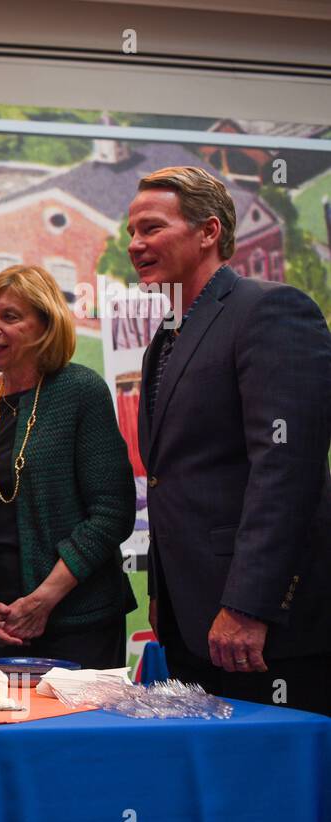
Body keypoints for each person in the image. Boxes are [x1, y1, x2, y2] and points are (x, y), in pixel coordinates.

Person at [130, 166, 331, 713]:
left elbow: (287, 471)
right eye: (132, 232)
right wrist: (163, 596)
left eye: (152, 228)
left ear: (209, 231)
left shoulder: (271, 311)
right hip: (191, 624)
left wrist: (249, 605)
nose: (135, 244)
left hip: (262, 633)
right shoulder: (165, 340)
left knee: (274, 766)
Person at [0, 266, 137, 668]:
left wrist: (43, 599)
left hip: (78, 621)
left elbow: (112, 512)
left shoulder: (80, 391)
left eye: (9, 316)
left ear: (46, 325)